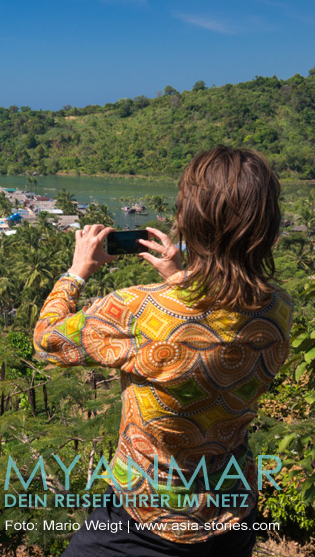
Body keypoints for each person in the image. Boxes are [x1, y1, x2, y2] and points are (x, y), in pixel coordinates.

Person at [33, 146, 293, 557]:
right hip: (233, 511)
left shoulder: (139, 309)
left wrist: (77, 271)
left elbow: (47, 340)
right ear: (267, 225)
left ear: (188, 219)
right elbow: (211, 325)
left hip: (145, 520)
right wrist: (181, 276)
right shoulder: (278, 308)